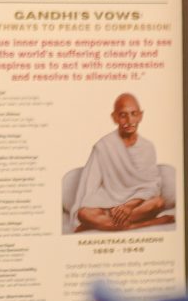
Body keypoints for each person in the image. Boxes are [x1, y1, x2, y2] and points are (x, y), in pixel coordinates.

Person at [69, 93, 173, 232]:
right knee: (84, 213)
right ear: (114, 117)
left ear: (140, 116)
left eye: (133, 114)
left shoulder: (147, 147)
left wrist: (128, 206)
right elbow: (90, 186)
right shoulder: (104, 146)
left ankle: (105, 224)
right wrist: (92, 209)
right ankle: (148, 223)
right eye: (123, 115)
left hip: (136, 204)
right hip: (108, 203)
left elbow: (151, 186)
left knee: (158, 202)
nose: (129, 120)